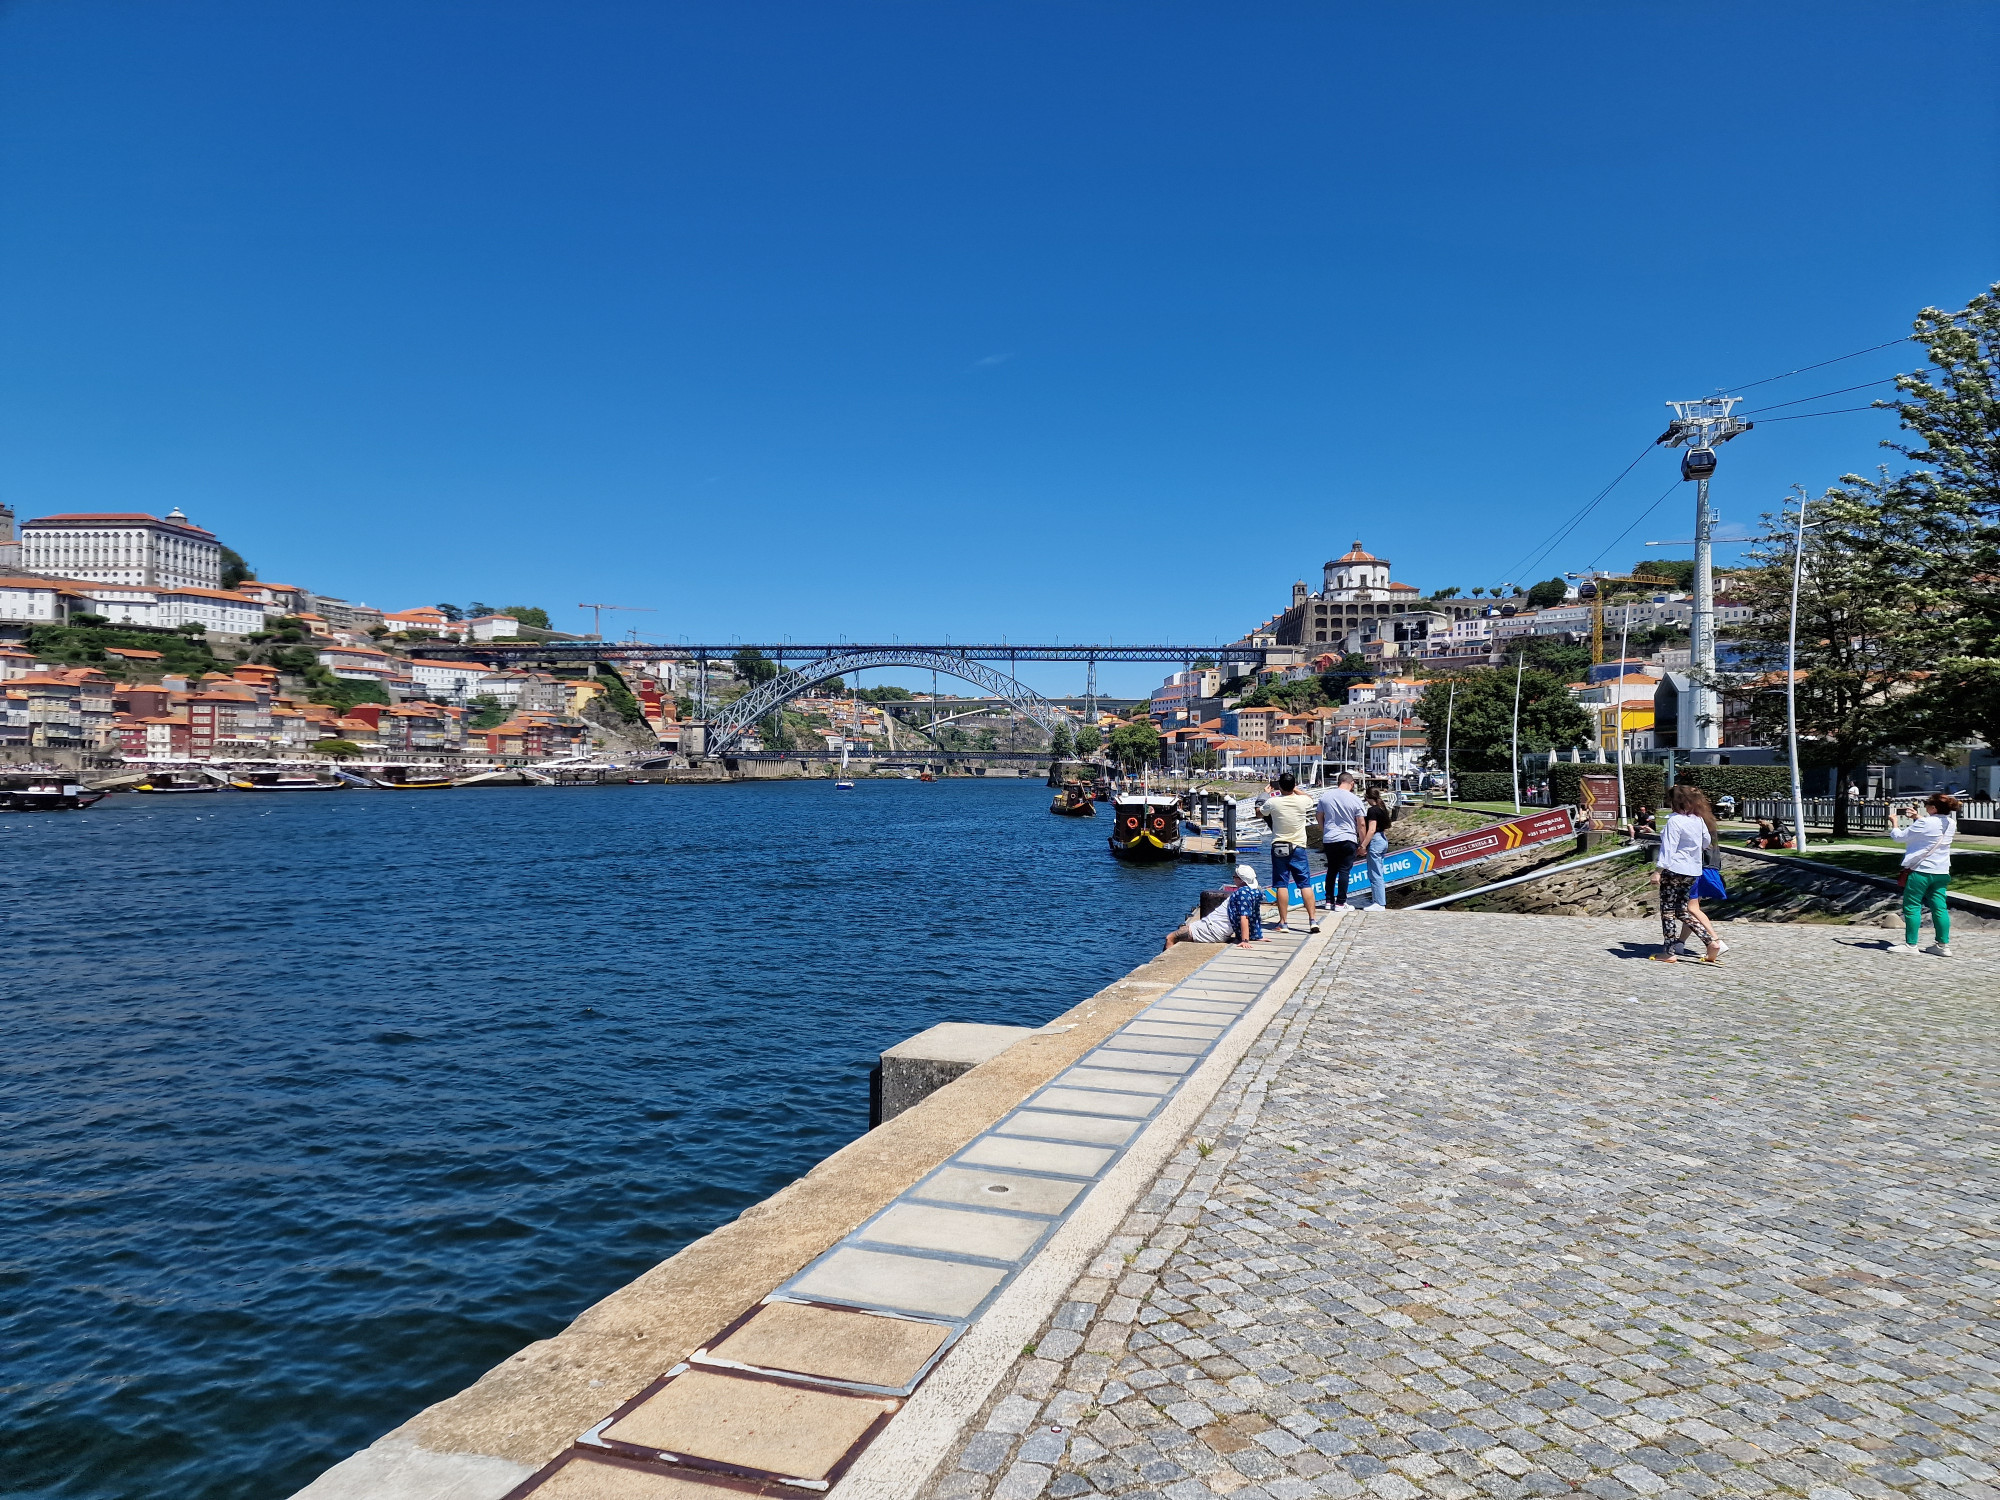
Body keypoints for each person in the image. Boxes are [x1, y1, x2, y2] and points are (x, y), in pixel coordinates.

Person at [1650, 784, 1722, 963]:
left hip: (1674, 869)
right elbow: (1706, 842)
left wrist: (1658, 871)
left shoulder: (1674, 821)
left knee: (1667, 910)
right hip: (1693, 870)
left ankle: (1668, 951)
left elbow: (1669, 848)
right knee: (1682, 909)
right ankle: (1710, 941)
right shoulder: (1698, 820)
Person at [1888, 793, 1958, 956]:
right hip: (1941, 871)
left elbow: (1899, 838)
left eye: (1927, 804)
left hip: (1921, 871)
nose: (1925, 806)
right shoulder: (1951, 823)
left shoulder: (1925, 822)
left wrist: (1894, 823)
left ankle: (1911, 945)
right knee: (1940, 908)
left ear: (1933, 808)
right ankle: (1942, 945)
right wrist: (1918, 817)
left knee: (1912, 906)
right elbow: (1933, 828)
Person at [1259, 771, 1320, 933]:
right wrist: (1296, 789)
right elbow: (1310, 799)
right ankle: (1313, 921)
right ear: (1293, 785)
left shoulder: (1273, 802)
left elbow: (1259, 812)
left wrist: (1265, 794)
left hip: (1279, 845)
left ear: (1279, 786)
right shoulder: (1302, 801)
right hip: (1298, 845)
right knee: (1305, 884)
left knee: (1281, 884)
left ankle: (1283, 923)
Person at [1163, 864, 1268, 950]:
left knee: (1171, 937)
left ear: (1241, 880)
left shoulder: (1241, 893)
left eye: (1234, 877)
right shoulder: (1255, 892)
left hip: (1212, 928)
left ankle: (1164, 965)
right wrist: (1257, 936)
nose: (1233, 879)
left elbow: (1244, 917)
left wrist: (1245, 940)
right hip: (1216, 929)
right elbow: (1254, 915)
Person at [1315, 771, 1367, 913]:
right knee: (1344, 870)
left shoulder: (1326, 796)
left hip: (1330, 838)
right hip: (1347, 837)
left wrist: (1324, 829)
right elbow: (1361, 824)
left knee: (1331, 869)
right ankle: (1341, 902)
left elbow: (1319, 816)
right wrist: (1363, 844)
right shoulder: (1355, 799)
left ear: (1339, 782)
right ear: (1352, 783)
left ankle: (1328, 900)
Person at [1361, 786, 1395, 909]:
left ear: (1368, 797)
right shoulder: (1382, 808)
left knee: (1375, 873)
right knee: (1378, 871)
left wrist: (1363, 845)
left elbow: (1371, 830)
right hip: (1382, 839)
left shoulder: (1372, 811)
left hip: (1375, 840)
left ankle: (1379, 903)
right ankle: (1377, 900)